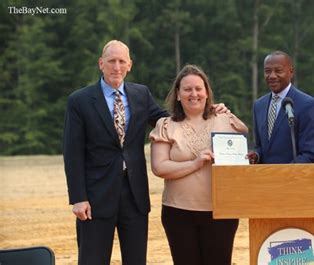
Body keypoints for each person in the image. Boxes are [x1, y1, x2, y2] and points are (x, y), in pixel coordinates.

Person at [63, 40, 228, 265]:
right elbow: (72, 153)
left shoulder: (140, 94)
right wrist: (78, 198)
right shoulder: (79, 100)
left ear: (130, 65)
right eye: (111, 61)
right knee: (93, 260)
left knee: (136, 260)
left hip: (134, 196)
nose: (116, 67)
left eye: (122, 61)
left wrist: (208, 109)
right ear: (101, 64)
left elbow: (168, 120)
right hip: (95, 196)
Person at [149, 64, 248, 265]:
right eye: (187, 89)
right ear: (178, 94)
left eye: (198, 88)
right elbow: (159, 167)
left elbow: (244, 150)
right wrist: (195, 163)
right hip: (178, 213)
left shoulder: (225, 119)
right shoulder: (165, 125)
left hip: (221, 212)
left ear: (206, 92)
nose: (193, 94)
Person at [248, 50, 314, 164]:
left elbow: (309, 153)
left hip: (294, 178)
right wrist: (256, 155)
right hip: (264, 178)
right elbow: (261, 147)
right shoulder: (259, 105)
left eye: (278, 71)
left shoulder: (308, 105)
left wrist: (286, 173)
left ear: (291, 72)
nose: (272, 76)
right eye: (267, 71)